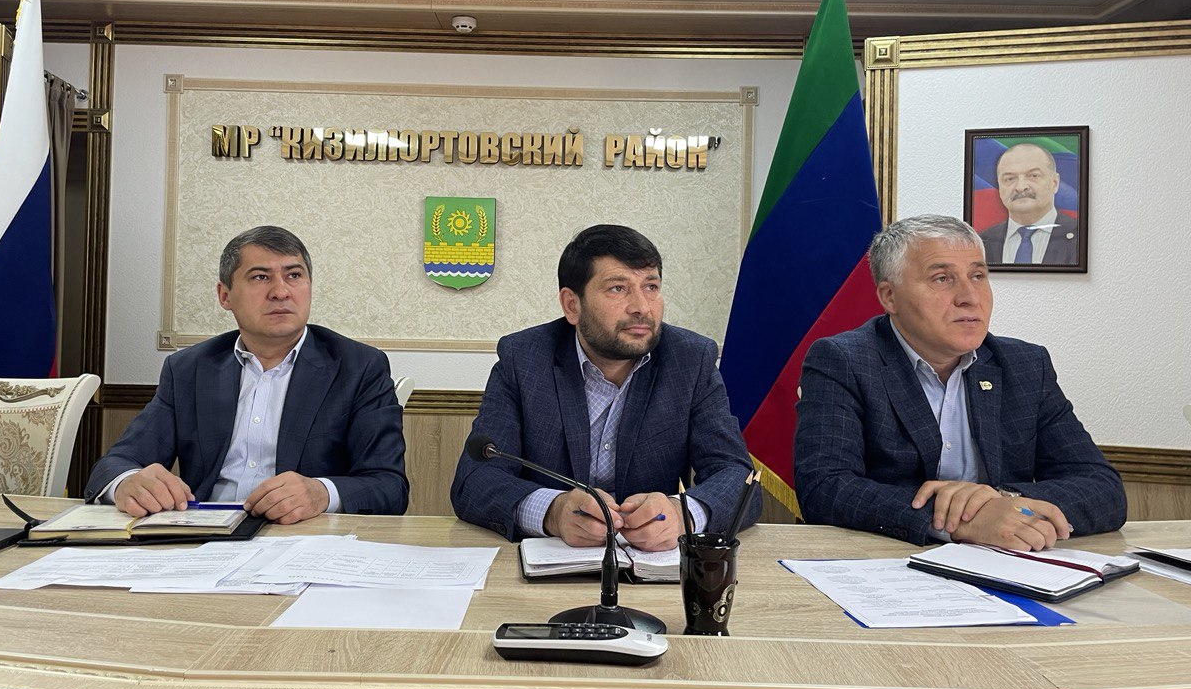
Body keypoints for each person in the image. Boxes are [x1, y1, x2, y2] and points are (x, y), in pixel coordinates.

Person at [793, 214, 1124, 549]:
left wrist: (1002, 501)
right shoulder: (844, 361)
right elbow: (825, 489)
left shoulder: (1025, 365)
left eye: (978, 276)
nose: (969, 296)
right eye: (942, 279)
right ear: (890, 296)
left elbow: (1103, 488)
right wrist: (963, 520)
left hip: (1004, 562)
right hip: (889, 559)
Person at [450, 224, 760, 551]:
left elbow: (738, 477)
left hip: (653, 566)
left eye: (651, 286)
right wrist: (552, 512)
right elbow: (475, 480)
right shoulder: (524, 359)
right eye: (618, 288)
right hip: (552, 561)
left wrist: (682, 515)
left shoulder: (689, 360)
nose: (642, 307)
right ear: (572, 305)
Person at [84, 225, 409, 522]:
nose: (281, 291)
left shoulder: (358, 367)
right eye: (260, 277)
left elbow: (389, 486)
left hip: (302, 538)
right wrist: (128, 483)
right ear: (225, 295)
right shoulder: (188, 369)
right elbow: (117, 463)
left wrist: (321, 493)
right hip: (203, 536)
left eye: (294, 275)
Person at [978, 142, 1079, 265]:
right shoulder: (982, 242)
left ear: (1055, 183)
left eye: (1033, 176)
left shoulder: (1079, 236)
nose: (1021, 187)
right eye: (1010, 179)